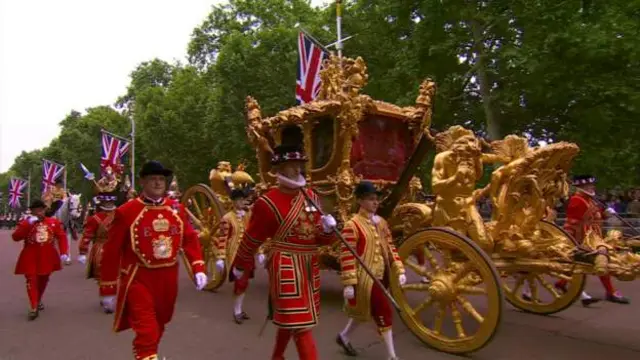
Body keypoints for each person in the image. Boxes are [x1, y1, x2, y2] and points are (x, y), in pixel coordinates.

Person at [231, 142, 337, 360]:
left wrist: (328, 229)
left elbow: (320, 239)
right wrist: (240, 265)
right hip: (285, 264)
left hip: (309, 264)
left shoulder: (312, 197)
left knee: (295, 319)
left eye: (299, 164)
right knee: (301, 326)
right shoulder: (267, 202)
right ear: (279, 169)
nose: (297, 169)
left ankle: (277, 356)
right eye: (291, 165)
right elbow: (252, 239)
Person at [99, 161, 209, 360]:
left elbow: (190, 237)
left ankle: (149, 354)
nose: (158, 183)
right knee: (146, 331)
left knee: (159, 325)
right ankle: (148, 354)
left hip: (168, 280)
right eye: (153, 179)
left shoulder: (177, 208)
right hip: (138, 279)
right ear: (143, 182)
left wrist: (198, 266)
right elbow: (111, 251)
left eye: (161, 179)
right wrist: (107, 288)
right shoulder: (126, 211)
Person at [336, 181, 406, 360]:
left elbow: (390, 247)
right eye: (371, 199)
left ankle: (344, 336)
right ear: (360, 201)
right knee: (384, 311)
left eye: (377, 199)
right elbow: (347, 255)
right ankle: (392, 356)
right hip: (364, 278)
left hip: (382, 275)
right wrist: (349, 282)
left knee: (363, 311)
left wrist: (399, 267)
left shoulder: (381, 223)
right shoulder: (352, 225)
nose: (375, 202)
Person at [557, 175, 630, 304]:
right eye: (589, 186)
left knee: (587, 265)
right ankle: (611, 292)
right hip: (584, 238)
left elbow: (596, 218)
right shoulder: (577, 200)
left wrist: (605, 214)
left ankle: (562, 283)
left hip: (594, 236)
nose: (592, 187)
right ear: (582, 187)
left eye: (591, 185)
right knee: (601, 261)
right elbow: (573, 222)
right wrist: (576, 240)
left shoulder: (590, 200)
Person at [214, 187, 267, 323]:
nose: (242, 203)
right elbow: (223, 238)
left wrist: (260, 251)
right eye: (239, 200)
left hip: (248, 253)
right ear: (234, 202)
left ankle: (239, 309)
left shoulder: (249, 216)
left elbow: (255, 234)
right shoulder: (227, 218)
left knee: (244, 283)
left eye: (244, 200)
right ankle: (237, 311)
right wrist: (220, 257)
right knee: (240, 283)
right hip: (235, 255)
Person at [11, 200, 69, 320]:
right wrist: (27, 224)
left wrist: (64, 252)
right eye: (36, 210)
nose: (39, 213)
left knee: (43, 280)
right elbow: (16, 237)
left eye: (41, 210)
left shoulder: (53, 222)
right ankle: (33, 306)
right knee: (31, 279)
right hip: (30, 256)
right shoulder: (26, 223)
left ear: (45, 210)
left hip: (47, 256)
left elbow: (61, 237)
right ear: (32, 212)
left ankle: (38, 299)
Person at [78, 191, 117, 313]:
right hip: (100, 247)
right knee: (103, 274)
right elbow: (87, 235)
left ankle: (111, 296)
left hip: (116, 247)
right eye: (107, 202)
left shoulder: (119, 215)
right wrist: (82, 251)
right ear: (102, 203)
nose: (109, 204)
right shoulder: (95, 218)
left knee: (116, 274)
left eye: (111, 202)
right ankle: (107, 298)